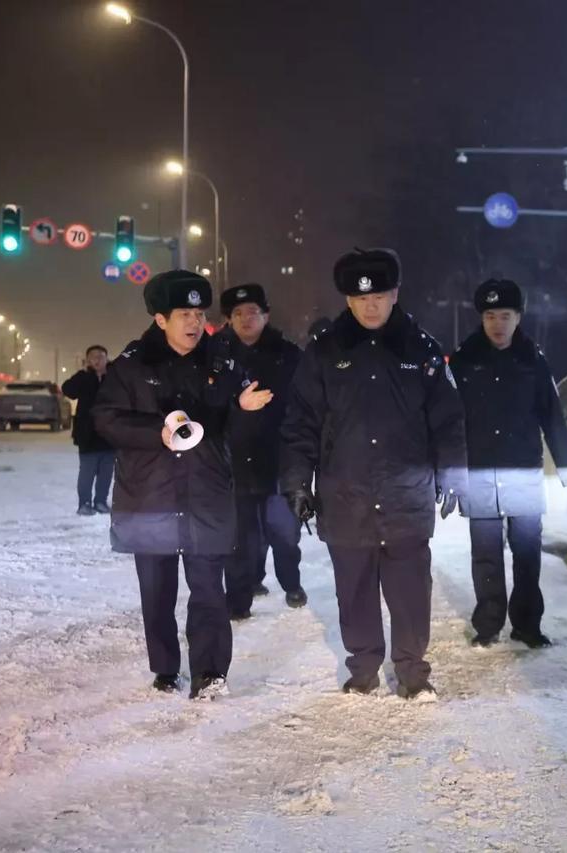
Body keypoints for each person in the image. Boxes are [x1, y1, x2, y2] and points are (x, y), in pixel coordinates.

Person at [280, 248, 466, 700]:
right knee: (355, 590)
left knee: (409, 593)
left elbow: (448, 419)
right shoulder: (324, 353)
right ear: (348, 300)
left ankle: (412, 675)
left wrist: (454, 471)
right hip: (346, 496)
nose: (370, 305)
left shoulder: (420, 350)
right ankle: (362, 669)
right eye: (360, 298)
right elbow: (300, 422)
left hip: (406, 495)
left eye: (379, 295)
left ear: (395, 294)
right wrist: (297, 480)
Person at [93, 270, 273, 700]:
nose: (195, 323)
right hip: (149, 494)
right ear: (160, 319)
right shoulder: (132, 365)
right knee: (157, 591)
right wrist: (156, 429)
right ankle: (166, 669)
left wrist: (245, 408)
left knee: (210, 589)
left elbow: (240, 424)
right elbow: (105, 419)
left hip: (206, 493)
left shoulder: (223, 360)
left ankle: (211, 674)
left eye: (199, 312)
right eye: (183, 314)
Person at [449, 279, 567, 649]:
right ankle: (488, 624)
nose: (497, 324)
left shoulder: (533, 361)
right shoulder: (463, 360)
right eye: (490, 315)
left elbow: (551, 415)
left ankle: (526, 624)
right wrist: (446, 470)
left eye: (505, 316)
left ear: (518, 317)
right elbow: (448, 420)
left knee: (526, 553)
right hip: (479, 474)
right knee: (486, 555)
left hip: (523, 473)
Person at [218, 283, 307, 618]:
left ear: (266, 315)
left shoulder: (288, 355)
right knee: (240, 540)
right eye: (237, 313)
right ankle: (239, 599)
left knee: (284, 533)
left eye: (252, 312)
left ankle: (291, 582)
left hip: (278, 462)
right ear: (227, 319)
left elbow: (305, 406)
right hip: (232, 465)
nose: (245, 319)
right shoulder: (216, 357)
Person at [61, 345, 114, 516]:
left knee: (106, 473)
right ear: (88, 360)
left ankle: (100, 502)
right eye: (93, 357)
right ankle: (84, 504)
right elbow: (68, 390)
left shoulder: (115, 377)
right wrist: (81, 374)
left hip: (110, 434)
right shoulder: (83, 377)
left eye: (100, 356)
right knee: (87, 472)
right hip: (87, 434)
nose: (97, 359)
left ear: (107, 358)